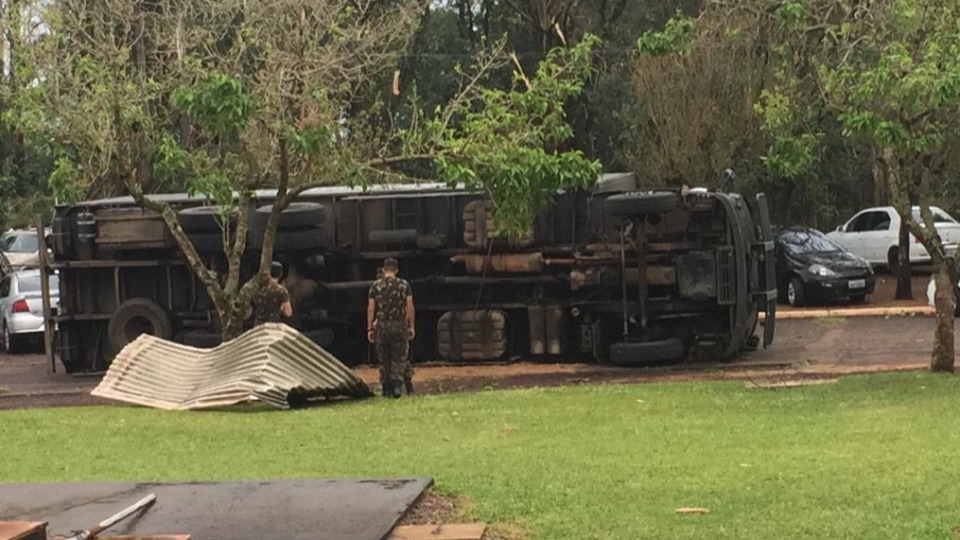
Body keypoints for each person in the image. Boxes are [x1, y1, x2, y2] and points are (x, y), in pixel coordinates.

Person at [367, 258, 415, 398]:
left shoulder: (375, 286)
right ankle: (397, 386)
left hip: (382, 325)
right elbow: (410, 307)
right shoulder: (404, 285)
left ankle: (386, 388)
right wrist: (411, 326)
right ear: (396, 270)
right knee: (399, 356)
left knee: (384, 357)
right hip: (399, 324)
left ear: (383, 270)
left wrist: (370, 328)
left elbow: (371, 308)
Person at [252, 261, 293, 326]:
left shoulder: (258, 288)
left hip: (257, 327)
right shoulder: (281, 291)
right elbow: (288, 313)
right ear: (281, 274)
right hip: (272, 328)